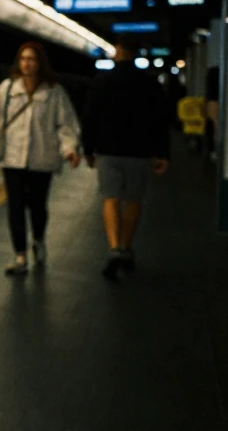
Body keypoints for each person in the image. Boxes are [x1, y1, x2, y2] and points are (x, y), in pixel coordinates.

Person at [0, 42, 81, 275]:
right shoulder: (8, 88)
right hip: (12, 158)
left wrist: (70, 150)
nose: (26, 63)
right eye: (23, 59)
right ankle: (20, 255)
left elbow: (65, 124)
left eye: (31, 59)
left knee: (38, 206)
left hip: (42, 159)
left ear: (40, 62)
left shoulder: (53, 92)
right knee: (15, 207)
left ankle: (39, 240)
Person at [82, 37, 170, 280]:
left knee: (110, 198)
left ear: (119, 51)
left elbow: (90, 117)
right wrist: (163, 153)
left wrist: (87, 149)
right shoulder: (150, 83)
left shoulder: (102, 81)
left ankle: (114, 248)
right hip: (140, 152)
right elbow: (161, 120)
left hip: (109, 150)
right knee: (133, 200)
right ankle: (127, 247)